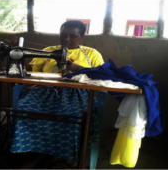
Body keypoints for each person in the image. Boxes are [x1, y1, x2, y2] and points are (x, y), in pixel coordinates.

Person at [9, 20, 104, 169]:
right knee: (24, 109)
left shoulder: (92, 54)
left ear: (82, 37)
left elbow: (102, 76)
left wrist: (77, 68)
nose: (67, 39)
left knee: (71, 116)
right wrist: (19, 54)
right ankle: (43, 157)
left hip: (77, 94)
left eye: (72, 36)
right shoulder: (49, 50)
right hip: (44, 90)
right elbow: (29, 71)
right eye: (64, 35)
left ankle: (64, 158)